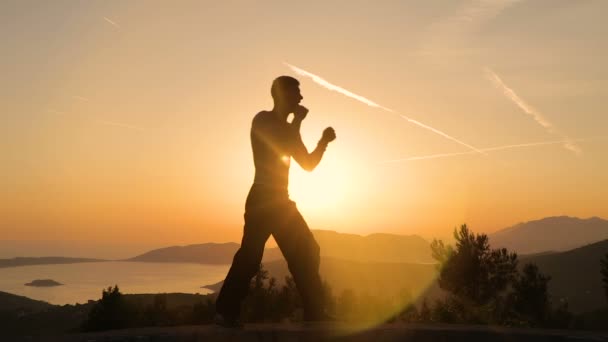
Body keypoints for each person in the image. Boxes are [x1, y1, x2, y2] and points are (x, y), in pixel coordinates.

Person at [215, 76, 336, 327]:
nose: (301, 98)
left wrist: (323, 143)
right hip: (262, 197)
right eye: (297, 93)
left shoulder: (289, 128)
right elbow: (280, 144)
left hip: (280, 201)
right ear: (282, 96)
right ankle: (226, 312)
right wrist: (298, 122)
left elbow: (308, 165)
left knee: (307, 249)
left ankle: (315, 312)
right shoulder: (263, 120)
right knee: (250, 255)